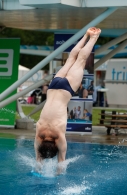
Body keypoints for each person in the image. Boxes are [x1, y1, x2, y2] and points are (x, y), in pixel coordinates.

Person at [34, 27, 101, 164]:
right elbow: (38, 156)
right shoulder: (39, 131)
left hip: (66, 89)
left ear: (55, 145)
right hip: (53, 87)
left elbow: (61, 162)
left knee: (81, 60)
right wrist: (39, 161)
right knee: (71, 58)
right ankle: (86, 35)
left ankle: (93, 37)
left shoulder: (59, 135)